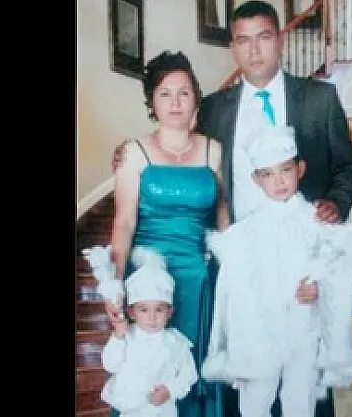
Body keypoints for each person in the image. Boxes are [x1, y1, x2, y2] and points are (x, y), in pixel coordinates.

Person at [113, 2, 352, 415]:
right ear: (233, 47)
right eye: (243, 41)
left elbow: (348, 167)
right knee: (247, 384)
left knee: (303, 380)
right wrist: (128, 156)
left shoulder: (320, 99)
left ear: (279, 40)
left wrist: (335, 204)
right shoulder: (213, 108)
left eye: (263, 37)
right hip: (241, 266)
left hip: (299, 267)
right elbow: (180, 152)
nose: (254, 50)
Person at [200, 126, 352, 417]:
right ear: (256, 179)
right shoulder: (246, 232)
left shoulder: (317, 222)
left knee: (300, 399)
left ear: (300, 169)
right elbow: (231, 291)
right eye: (267, 174)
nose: (278, 181)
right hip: (259, 333)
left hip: (303, 330)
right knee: (255, 401)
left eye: (285, 170)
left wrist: (320, 288)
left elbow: (338, 272)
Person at [104, 50, 228, 417]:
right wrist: (115, 283)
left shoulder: (213, 151)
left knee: (189, 368)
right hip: (146, 279)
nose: (175, 102)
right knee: (146, 373)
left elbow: (223, 220)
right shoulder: (133, 153)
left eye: (184, 92)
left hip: (198, 280)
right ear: (152, 103)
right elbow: (123, 223)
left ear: (196, 100)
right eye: (165, 93)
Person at [100, 247, 198, 417]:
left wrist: (170, 390)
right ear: (132, 312)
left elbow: (189, 374)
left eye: (159, 309)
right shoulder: (125, 336)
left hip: (164, 410)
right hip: (132, 410)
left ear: (170, 312)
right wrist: (118, 337)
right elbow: (110, 364)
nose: (152, 317)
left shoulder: (177, 342)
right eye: (144, 310)